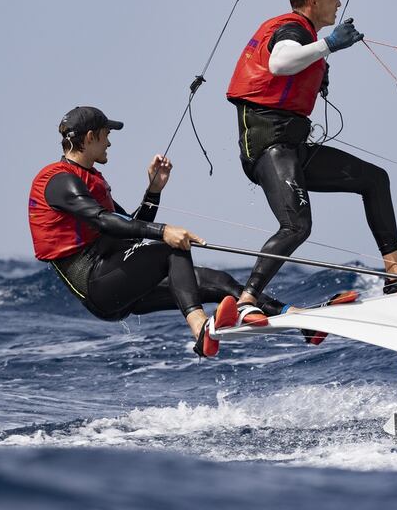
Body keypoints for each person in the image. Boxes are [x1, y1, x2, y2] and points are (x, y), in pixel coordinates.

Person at [225, 0, 397, 323]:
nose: (339, 3)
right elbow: (280, 63)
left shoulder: (302, 35)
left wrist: (316, 61)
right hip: (270, 146)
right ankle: (247, 300)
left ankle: (395, 273)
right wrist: (328, 45)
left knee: (374, 179)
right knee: (296, 226)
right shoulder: (293, 29)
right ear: (313, 0)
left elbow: (289, 67)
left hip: (293, 147)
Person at [27, 106, 252, 359]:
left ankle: (277, 311)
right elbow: (103, 220)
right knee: (170, 250)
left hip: (120, 280)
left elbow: (130, 229)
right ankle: (200, 327)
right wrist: (163, 231)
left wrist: (154, 191)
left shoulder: (86, 179)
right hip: (98, 288)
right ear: (90, 137)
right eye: (106, 135)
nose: (109, 143)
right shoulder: (60, 181)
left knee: (220, 282)